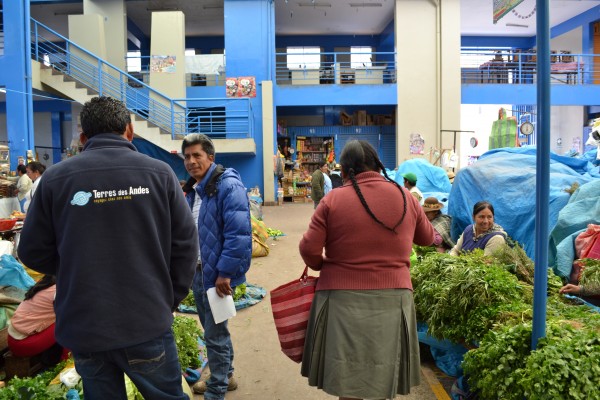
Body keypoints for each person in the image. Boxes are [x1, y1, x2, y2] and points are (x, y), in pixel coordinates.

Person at [18, 96, 198, 400]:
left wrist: (73, 265)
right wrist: (169, 296)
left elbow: (31, 250)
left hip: (86, 323)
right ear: (129, 131)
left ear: (84, 137)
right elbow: (185, 246)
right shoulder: (160, 174)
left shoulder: (54, 179)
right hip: (146, 318)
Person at [299, 140, 435, 400]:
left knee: (348, 378)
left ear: (346, 169)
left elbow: (309, 249)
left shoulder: (332, 200)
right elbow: (427, 239)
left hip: (341, 298)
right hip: (394, 298)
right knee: (383, 375)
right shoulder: (406, 196)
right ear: (376, 163)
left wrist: (321, 266)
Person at [182, 134, 252, 399]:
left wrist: (225, 273)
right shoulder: (196, 188)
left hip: (217, 275)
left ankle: (217, 389)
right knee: (214, 329)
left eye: (197, 155)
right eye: (187, 156)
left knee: (214, 334)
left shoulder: (227, 185)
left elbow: (238, 234)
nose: (191, 161)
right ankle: (227, 375)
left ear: (211, 157)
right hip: (201, 272)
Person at [7, 275, 69, 365]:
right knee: (70, 323)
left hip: (13, 339)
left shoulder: (48, 282)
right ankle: (66, 363)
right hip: (23, 344)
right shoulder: (58, 290)